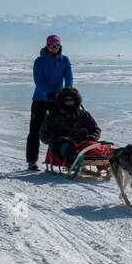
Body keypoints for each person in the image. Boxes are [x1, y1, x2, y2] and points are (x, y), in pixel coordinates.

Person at [27, 35, 73, 170]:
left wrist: (67, 92)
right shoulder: (40, 61)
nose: (54, 49)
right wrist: (48, 93)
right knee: (35, 130)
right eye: (52, 46)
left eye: (57, 46)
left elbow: (69, 77)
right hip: (41, 99)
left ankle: (62, 158)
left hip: (58, 100)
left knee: (61, 130)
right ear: (47, 46)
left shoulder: (64, 60)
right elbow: (38, 81)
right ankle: (32, 160)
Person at [39, 87, 101, 163]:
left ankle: (109, 159)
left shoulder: (83, 114)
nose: (69, 102)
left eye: (72, 100)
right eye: (67, 100)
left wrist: (92, 137)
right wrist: (55, 140)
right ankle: (73, 160)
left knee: (96, 147)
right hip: (61, 144)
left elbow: (96, 129)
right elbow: (43, 133)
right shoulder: (53, 116)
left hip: (81, 142)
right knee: (69, 147)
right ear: (62, 100)